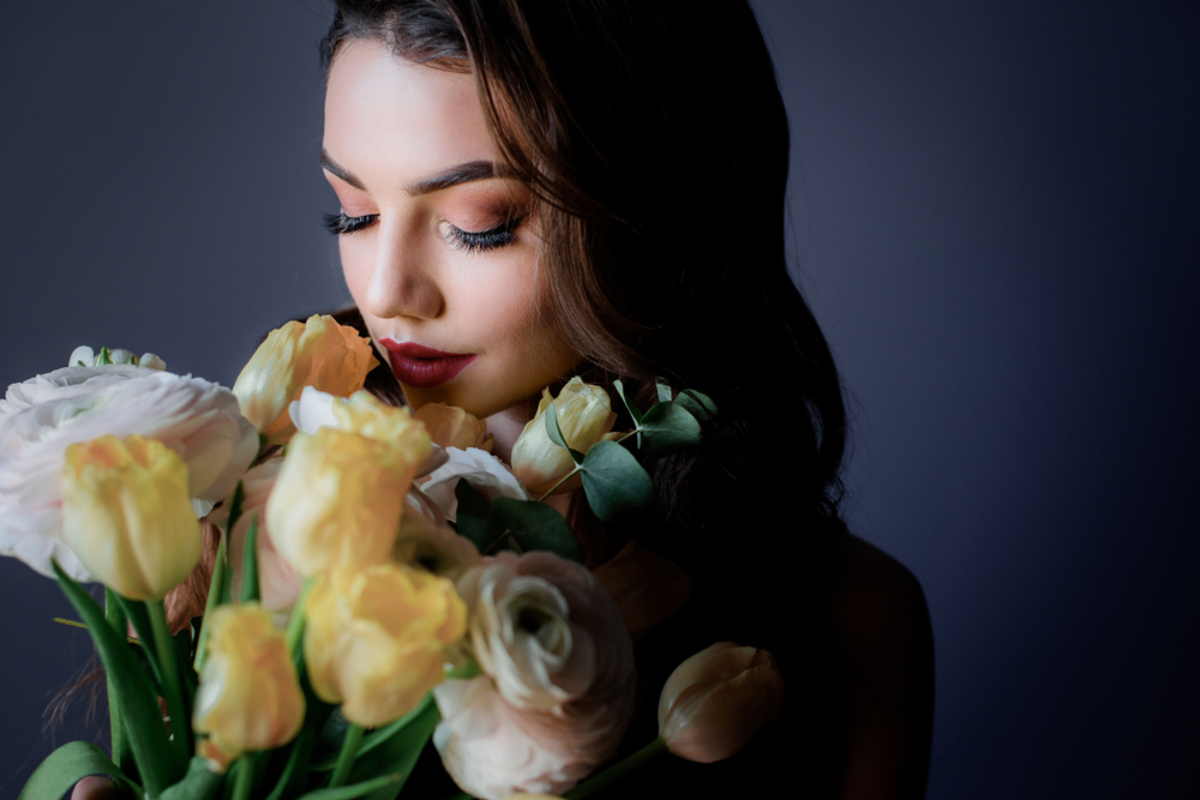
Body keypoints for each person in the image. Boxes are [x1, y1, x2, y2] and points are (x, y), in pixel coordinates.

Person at [76, 1, 933, 797]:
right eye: (352, 213)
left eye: (478, 223)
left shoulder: (846, 623)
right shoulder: (248, 516)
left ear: (652, 213)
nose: (388, 290)